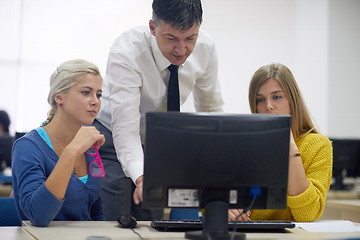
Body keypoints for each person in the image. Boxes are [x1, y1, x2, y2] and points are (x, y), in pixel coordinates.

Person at [95, 0, 224, 221]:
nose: (181, 50)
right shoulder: (127, 50)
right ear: (153, 28)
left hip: (157, 141)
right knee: (116, 217)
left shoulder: (206, 48)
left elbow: (210, 110)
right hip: (111, 139)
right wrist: (142, 177)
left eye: (190, 38)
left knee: (150, 217)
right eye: (172, 38)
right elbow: (125, 126)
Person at [228, 63, 333, 222]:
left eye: (277, 97)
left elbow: (307, 214)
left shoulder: (318, 145)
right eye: (260, 100)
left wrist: (290, 147)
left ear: (292, 99)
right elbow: (210, 197)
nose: (268, 106)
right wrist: (223, 207)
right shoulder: (242, 143)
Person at [12, 59, 105, 227]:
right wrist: (72, 152)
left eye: (98, 94)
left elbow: (95, 212)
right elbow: (38, 216)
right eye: (86, 92)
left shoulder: (89, 146)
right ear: (59, 97)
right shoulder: (27, 147)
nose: (95, 101)